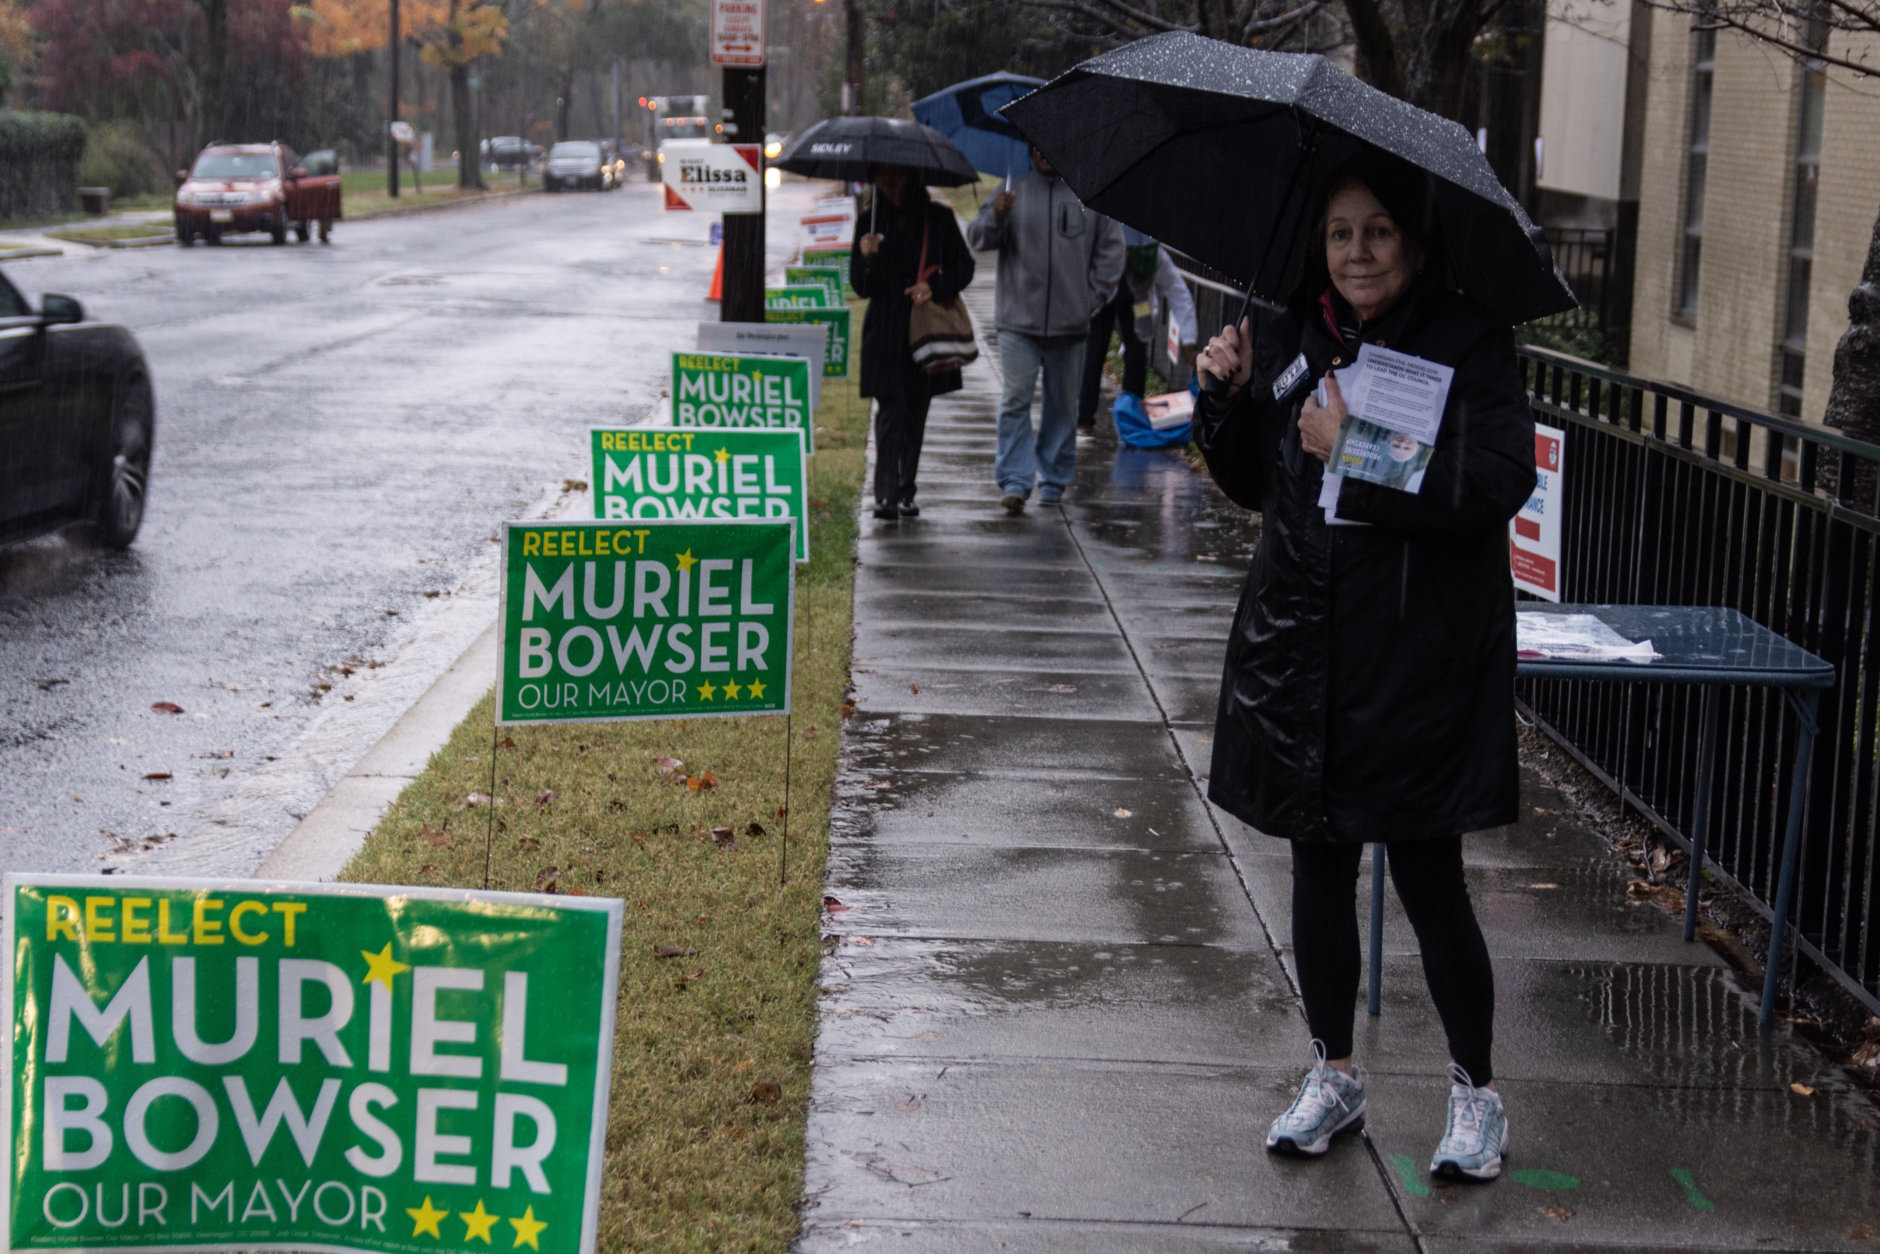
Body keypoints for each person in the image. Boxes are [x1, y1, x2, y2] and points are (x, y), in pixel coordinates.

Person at [1192, 161, 1537, 1182]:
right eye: (1340, 234)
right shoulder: (1294, 336)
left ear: (1414, 244)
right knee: (1317, 866)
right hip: (1305, 648)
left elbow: (1493, 481)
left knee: (1429, 878)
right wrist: (1223, 398)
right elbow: (1254, 482)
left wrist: (1360, 446)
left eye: (1378, 232)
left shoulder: (1468, 340)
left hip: (1417, 657)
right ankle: (1332, 1072)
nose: (1357, 253)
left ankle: (1476, 1093)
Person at [966, 145, 1124, 512]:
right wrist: (996, 215)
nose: (1043, 154)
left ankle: (1053, 480)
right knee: (1015, 399)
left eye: (1050, 147)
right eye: (1036, 147)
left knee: (1063, 407)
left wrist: (1089, 300)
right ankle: (1015, 481)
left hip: (1071, 327)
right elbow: (976, 238)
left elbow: (1112, 253)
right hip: (1017, 323)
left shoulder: (1089, 197)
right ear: (1028, 149)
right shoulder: (1012, 189)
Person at [852, 164, 976, 519]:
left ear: (912, 176)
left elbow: (964, 267)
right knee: (890, 410)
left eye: (897, 174)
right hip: (885, 330)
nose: (890, 180)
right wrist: (867, 258)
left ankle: (906, 488)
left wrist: (933, 287)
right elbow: (861, 286)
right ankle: (886, 495)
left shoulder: (937, 218)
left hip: (924, 330)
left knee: (915, 412)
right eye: (883, 174)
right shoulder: (868, 221)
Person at [1076, 228, 1199, 437]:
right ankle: (1084, 419)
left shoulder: (1155, 255)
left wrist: (1189, 341)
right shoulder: (1105, 250)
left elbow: (1178, 293)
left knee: (1137, 353)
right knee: (1094, 351)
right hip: (1103, 295)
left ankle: (1132, 415)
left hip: (1138, 301)